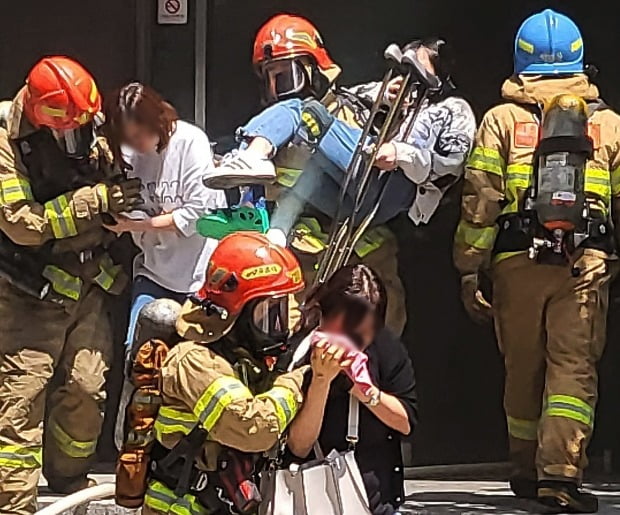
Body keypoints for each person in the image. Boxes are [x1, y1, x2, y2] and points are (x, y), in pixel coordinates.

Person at [453, 9, 620, 512]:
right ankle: (561, 477)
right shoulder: (609, 124)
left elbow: (480, 200)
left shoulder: (501, 120)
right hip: (583, 264)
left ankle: (525, 470)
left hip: (514, 260)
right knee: (572, 369)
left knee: (522, 367)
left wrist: (468, 267)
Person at [204, 14, 408, 336]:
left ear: (314, 70)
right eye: (270, 78)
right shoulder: (271, 126)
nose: (278, 87)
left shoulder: (353, 113)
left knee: (373, 358)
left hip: (363, 258)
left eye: (287, 76)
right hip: (303, 265)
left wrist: (389, 102)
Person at [0, 56, 143, 514]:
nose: (79, 140)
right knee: (23, 400)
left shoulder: (87, 118)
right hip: (30, 293)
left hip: (90, 285)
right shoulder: (6, 142)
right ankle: (15, 505)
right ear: (43, 120)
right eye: (68, 132)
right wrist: (93, 202)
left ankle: (69, 487)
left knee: (85, 389)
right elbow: (21, 224)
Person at [142, 232, 309, 514]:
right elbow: (253, 429)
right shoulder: (195, 361)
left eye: (280, 311)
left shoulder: (244, 349)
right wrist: (298, 381)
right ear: (235, 313)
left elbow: (289, 315)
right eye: (269, 315)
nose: (279, 326)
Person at [103, 82, 226, 355]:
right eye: (127, 138)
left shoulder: (190, 141)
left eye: (139, 134)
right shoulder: (129, 155)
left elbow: (197, 216)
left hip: (200, 275)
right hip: (154, 271)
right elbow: (128, 208)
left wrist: (138, 224)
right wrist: (155, 220)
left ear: (155, 119)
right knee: (137, 354)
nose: (136, 144)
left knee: (194, 359)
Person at [287, 264, 417, 515]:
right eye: (345, 330)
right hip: (310, 497)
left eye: (363, 334)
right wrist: (321, 382)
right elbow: (298, 446)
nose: (352, 341)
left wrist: (363, 390)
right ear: (324, 315)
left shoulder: (386, 348)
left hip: (374, 501)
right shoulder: (298, 352)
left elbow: (406, 422)